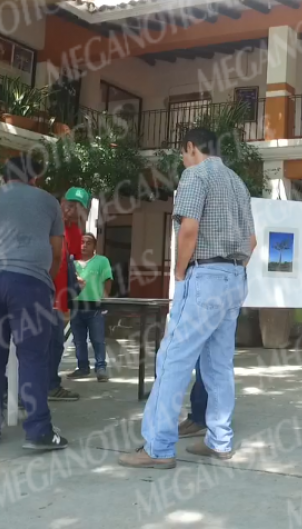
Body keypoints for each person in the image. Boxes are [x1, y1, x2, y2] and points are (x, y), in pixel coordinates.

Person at [119, 127, 254, 469]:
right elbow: (252, 243)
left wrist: (180, 273)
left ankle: (158, 448)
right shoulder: (237, 182)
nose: (182, 159)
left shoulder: (194, 175)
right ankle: (220, 441)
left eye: (182, 153)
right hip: (235, 277)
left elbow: (189, 230)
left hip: (204, 276)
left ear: (191, 147)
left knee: (172, 359)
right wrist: (231, 271)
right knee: (219, 364)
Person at [0, 155, 68, 449]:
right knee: (32, 356)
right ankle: (38, 432)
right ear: (34, 178)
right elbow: (57, 252)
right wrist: (44, 279)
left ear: (3, 177)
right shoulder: (47, 201)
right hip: (29, 282)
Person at [47, 187, 89, 402]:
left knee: (55, 343)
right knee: (48, 341)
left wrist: (77, 279)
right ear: (61, 201)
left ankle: (49, 385)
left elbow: (73, 260)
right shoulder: (47, 222)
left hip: (61, 297)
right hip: (43, 293)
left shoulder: (75, 232)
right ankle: (47, 387)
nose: (71, 210)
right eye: (68, 204)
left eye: (77, 207)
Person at [67, 233, 113, 382]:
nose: (84, 245)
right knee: (79, 340)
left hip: (95, 307)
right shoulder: (71, 262)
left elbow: (107, 280)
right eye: (82, 242)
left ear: (94, 246)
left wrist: (104, 300)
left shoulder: (102, 261)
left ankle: (101, 367)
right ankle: (82, 368)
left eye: (88, 243)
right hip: (76, 306)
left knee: (98, 339)